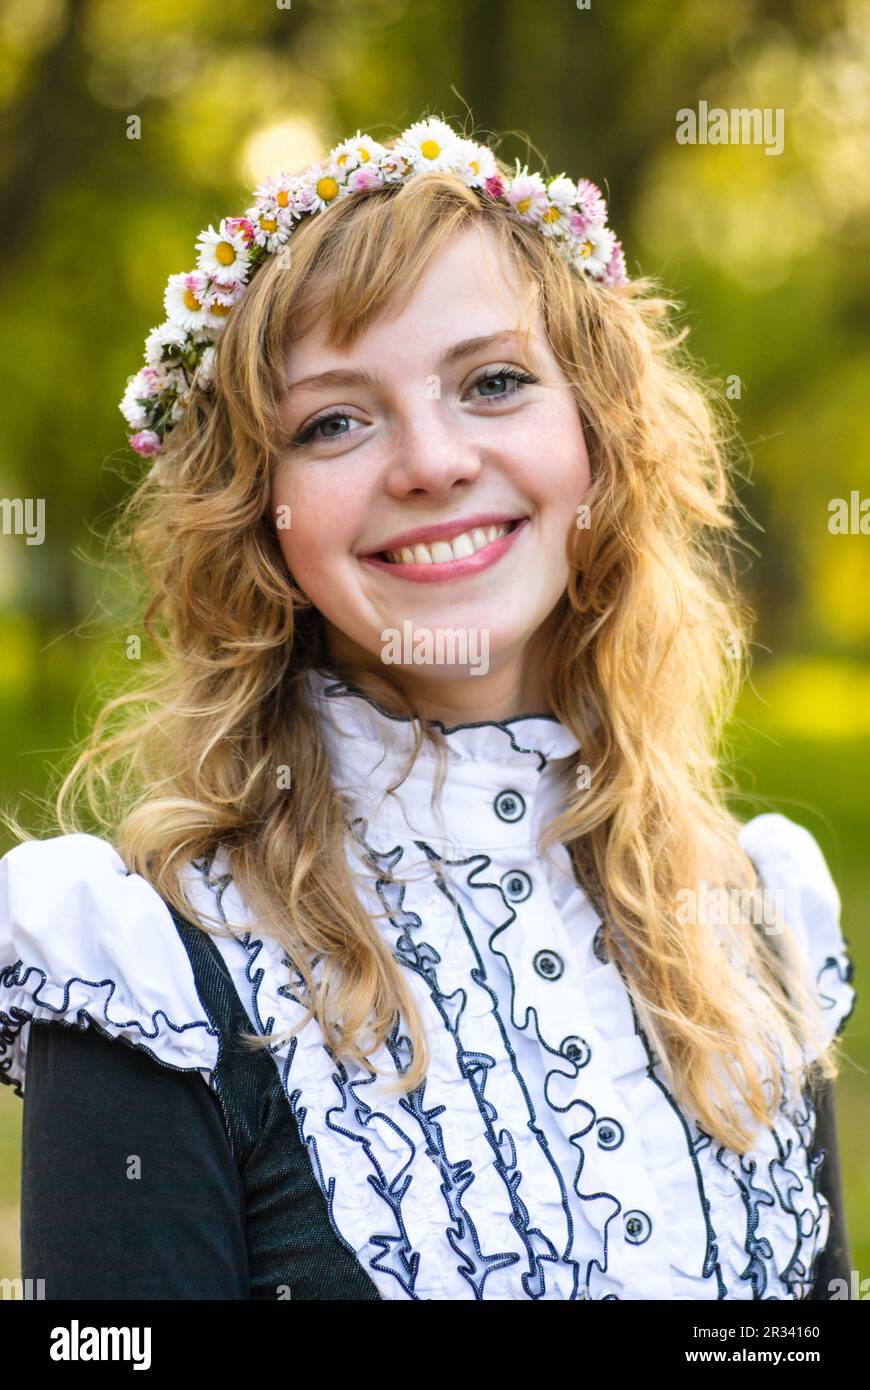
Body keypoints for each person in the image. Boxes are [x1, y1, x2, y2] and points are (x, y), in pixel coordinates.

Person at [0, 115, 856, 1301]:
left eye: (494, 381)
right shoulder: (144, 969)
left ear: (597, 440)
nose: (431, 460)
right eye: (333, 421)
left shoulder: (756, 913)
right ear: (258, 512)